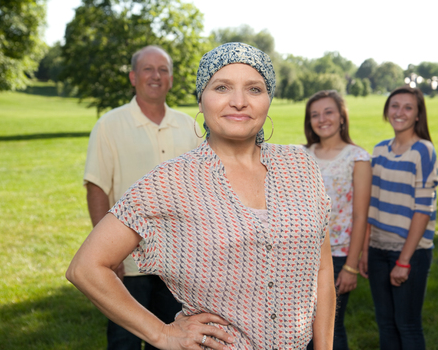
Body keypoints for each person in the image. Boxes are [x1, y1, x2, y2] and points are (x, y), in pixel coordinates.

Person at [67, 42, 336, 350]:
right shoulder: (171, 181)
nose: (239, 101)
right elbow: (86, 267)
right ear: (201, 99)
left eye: (254, 89)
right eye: (222, 87)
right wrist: (162, 333)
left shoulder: (301, 166)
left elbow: (322, 266)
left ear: (268, 99)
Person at [83, 45, 201, 350]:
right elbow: (96, 187)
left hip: (180, 262)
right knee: (124, 342)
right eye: (148, 69)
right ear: (134, 77)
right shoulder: (109, 125)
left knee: (181, 339)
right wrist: (110, 254)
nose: (156, 76)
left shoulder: (190, 126)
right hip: (129, 260)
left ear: (171, 80)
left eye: (163, 70)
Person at [359, 86, 438, 350]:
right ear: (386, 111)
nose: (400, 112)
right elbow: (373, 202)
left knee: (407, 325)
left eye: (408, 107)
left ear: (418, 115)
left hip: (411, 251)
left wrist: (404, 261)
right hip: (378, 249)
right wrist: (365, 249)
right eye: (394, 106)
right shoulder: (380, 150)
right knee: (385, 324)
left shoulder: (423, 151)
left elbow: (423, 209)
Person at [303, 91, 372, 350]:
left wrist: (351, 266)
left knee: (330, 326)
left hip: (339, 254)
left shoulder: (357, 157)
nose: (322, 119)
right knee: (303, 326)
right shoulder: (300, 155)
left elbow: (361, 215)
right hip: (303, 253)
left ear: (342, 117)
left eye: (328, 112)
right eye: (315, 114)